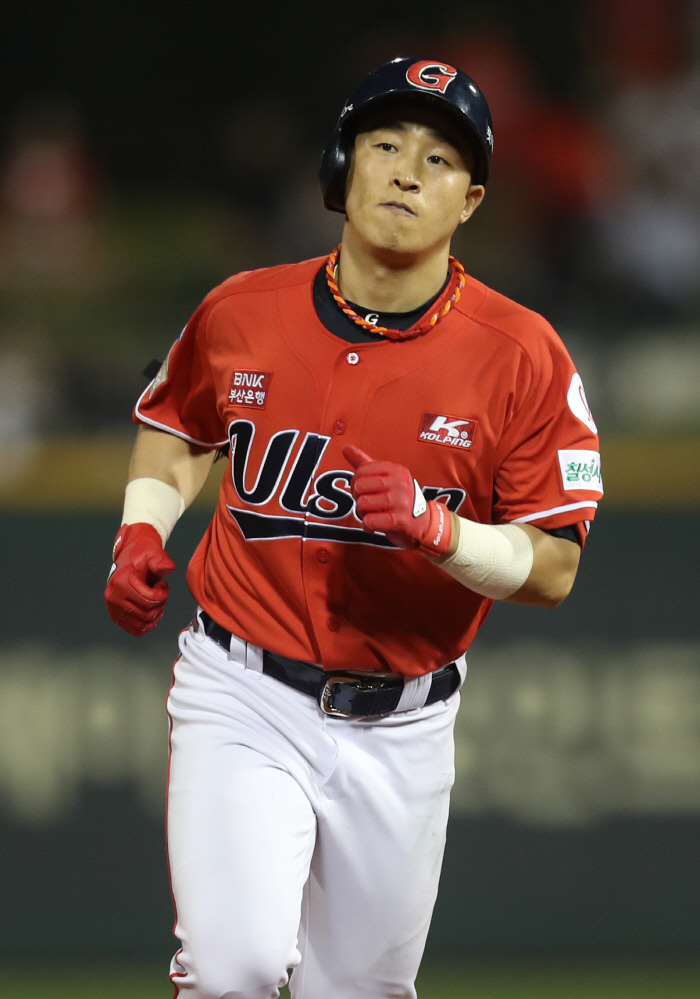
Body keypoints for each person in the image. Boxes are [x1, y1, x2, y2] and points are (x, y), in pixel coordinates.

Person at [105, 57, 603, 999]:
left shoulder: (523, 355)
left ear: (471, 201)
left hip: (404, 722)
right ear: (343, 167)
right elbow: (177, 425)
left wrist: (440, 531)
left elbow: (553, 567)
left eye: (440, 159)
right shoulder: (242, 308)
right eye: (385, 146)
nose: (408, 172)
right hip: (242, 690)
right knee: (234, 967)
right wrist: (141, 529)